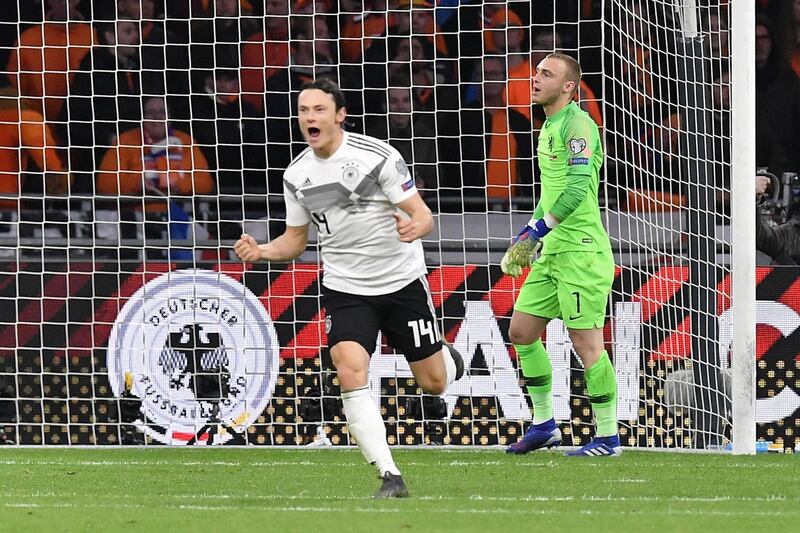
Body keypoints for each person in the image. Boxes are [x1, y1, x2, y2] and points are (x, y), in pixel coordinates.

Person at [233, 78, 464, 497]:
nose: (309, 118)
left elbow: (422, 214)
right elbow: (296, 242)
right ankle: (389, 474)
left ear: (340, 115)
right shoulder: (296, 175)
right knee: (349, 368)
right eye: (304, 110)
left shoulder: (378, 158)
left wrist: (417, 226)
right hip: (346, 287)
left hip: (400, 282)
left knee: (433, 382)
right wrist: (262, 252)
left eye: (319, 109)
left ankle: (450, 360)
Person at [501, 53, 620, 457]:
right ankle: (544, 423)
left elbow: (574, 190)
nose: (535, 78)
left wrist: (538, 229)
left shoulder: (579, 125)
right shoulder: (549, 125)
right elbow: (551, 194)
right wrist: (526, 236)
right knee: (521, 332)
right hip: (553, 251)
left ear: (569, 87)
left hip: (580, 253)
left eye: (546, 74)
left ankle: (607, 436)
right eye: (535, 72)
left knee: (586, 343)